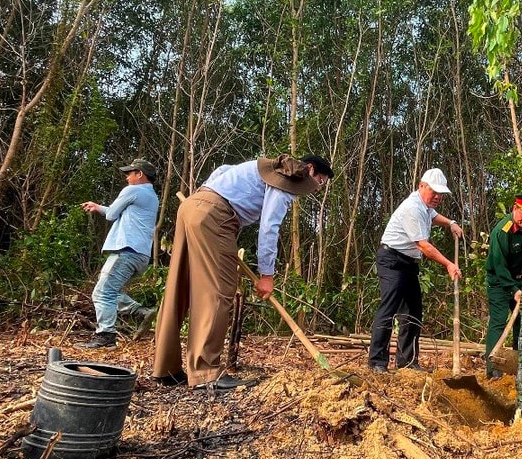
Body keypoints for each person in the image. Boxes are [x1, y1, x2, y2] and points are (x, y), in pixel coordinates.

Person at [151, 154, 333, 391]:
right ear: (309, 169)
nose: (318, 189)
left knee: (180, 286)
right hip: (215, 217)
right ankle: (206, 373)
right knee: (219, 292)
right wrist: (266, 274)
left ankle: (166, 369)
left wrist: (201, 201)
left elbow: (222, 169)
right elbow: (269, 227)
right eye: (320, 181)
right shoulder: (287, 181)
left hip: (192, 206)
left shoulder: (265, 167)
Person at [367, 168, 463, 373]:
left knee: (413, 313)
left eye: (441, 194)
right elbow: (423, 246)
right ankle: (377, 362)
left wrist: (451, 223)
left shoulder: (425, 205)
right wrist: (448, 263)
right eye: (433, 192)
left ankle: (407, 362)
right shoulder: (413, 208)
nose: (437, 197)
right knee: (388, 309)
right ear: (421, 186)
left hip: (408, 264)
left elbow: (434, 215)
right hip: (392, 259)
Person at [79, 158, 160, 349]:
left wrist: (103, 210)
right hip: (140, 255)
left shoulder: (132, 190)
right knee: (108, 290)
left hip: (126, 251)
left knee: (102, 292)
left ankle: (106, 336)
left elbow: (112, 215)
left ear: (139, 174)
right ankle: (141, 312)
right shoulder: (151, 196)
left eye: (129, 174)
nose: (127, 178)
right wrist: (98, 207)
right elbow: (115, 212)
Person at [484, 195, 522, 379]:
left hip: (520, 282)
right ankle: (493, 369)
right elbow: (499, 266)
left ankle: (517, 367)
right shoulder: (501, 232)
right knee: (498, 322)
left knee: (521, 323)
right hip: (499, 282)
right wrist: (514, 290)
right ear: (514, 208)